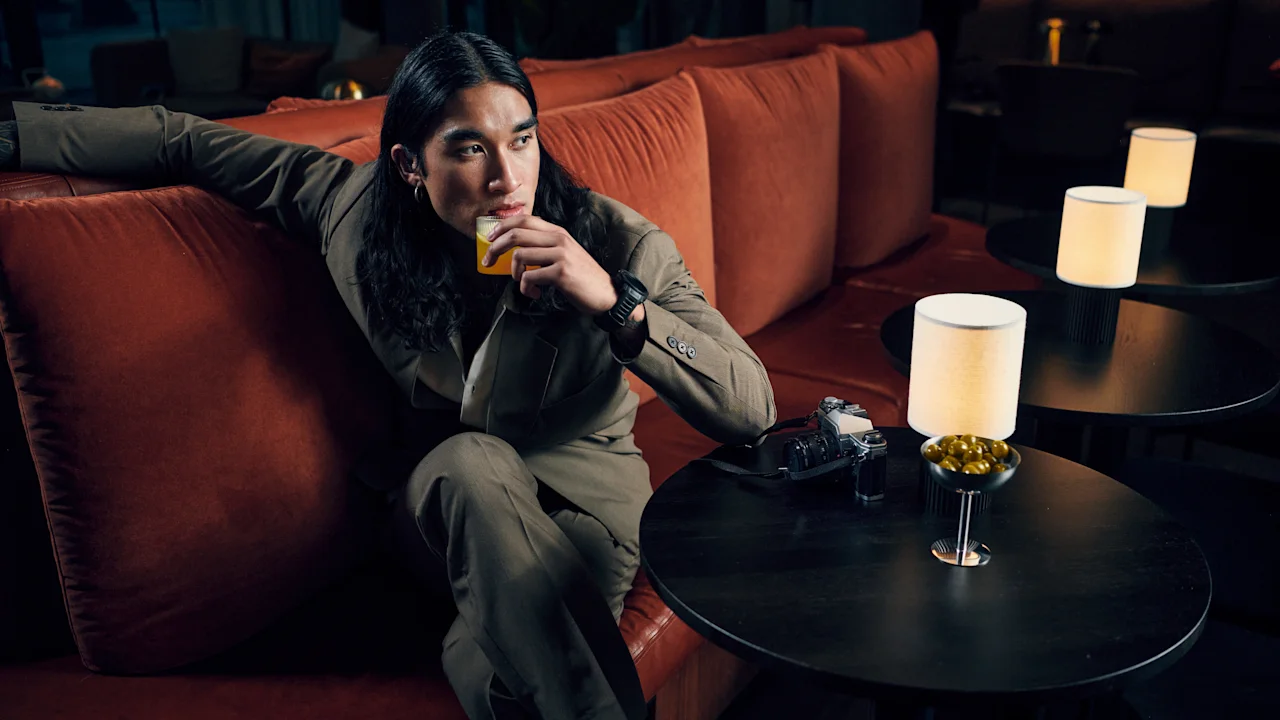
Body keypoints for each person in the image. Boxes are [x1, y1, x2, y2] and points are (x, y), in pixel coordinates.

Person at [0, 30, 776, 720]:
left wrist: (615, 307)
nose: (508, 178)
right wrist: (11, 133)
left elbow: (752, 408)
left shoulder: (617, 245)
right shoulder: (349, 212)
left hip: (586, 524)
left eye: (523, 140)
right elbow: (184, 143)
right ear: (408, 163)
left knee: (491, 671)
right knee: (473, 465)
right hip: (438, 517)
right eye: (470, 148)